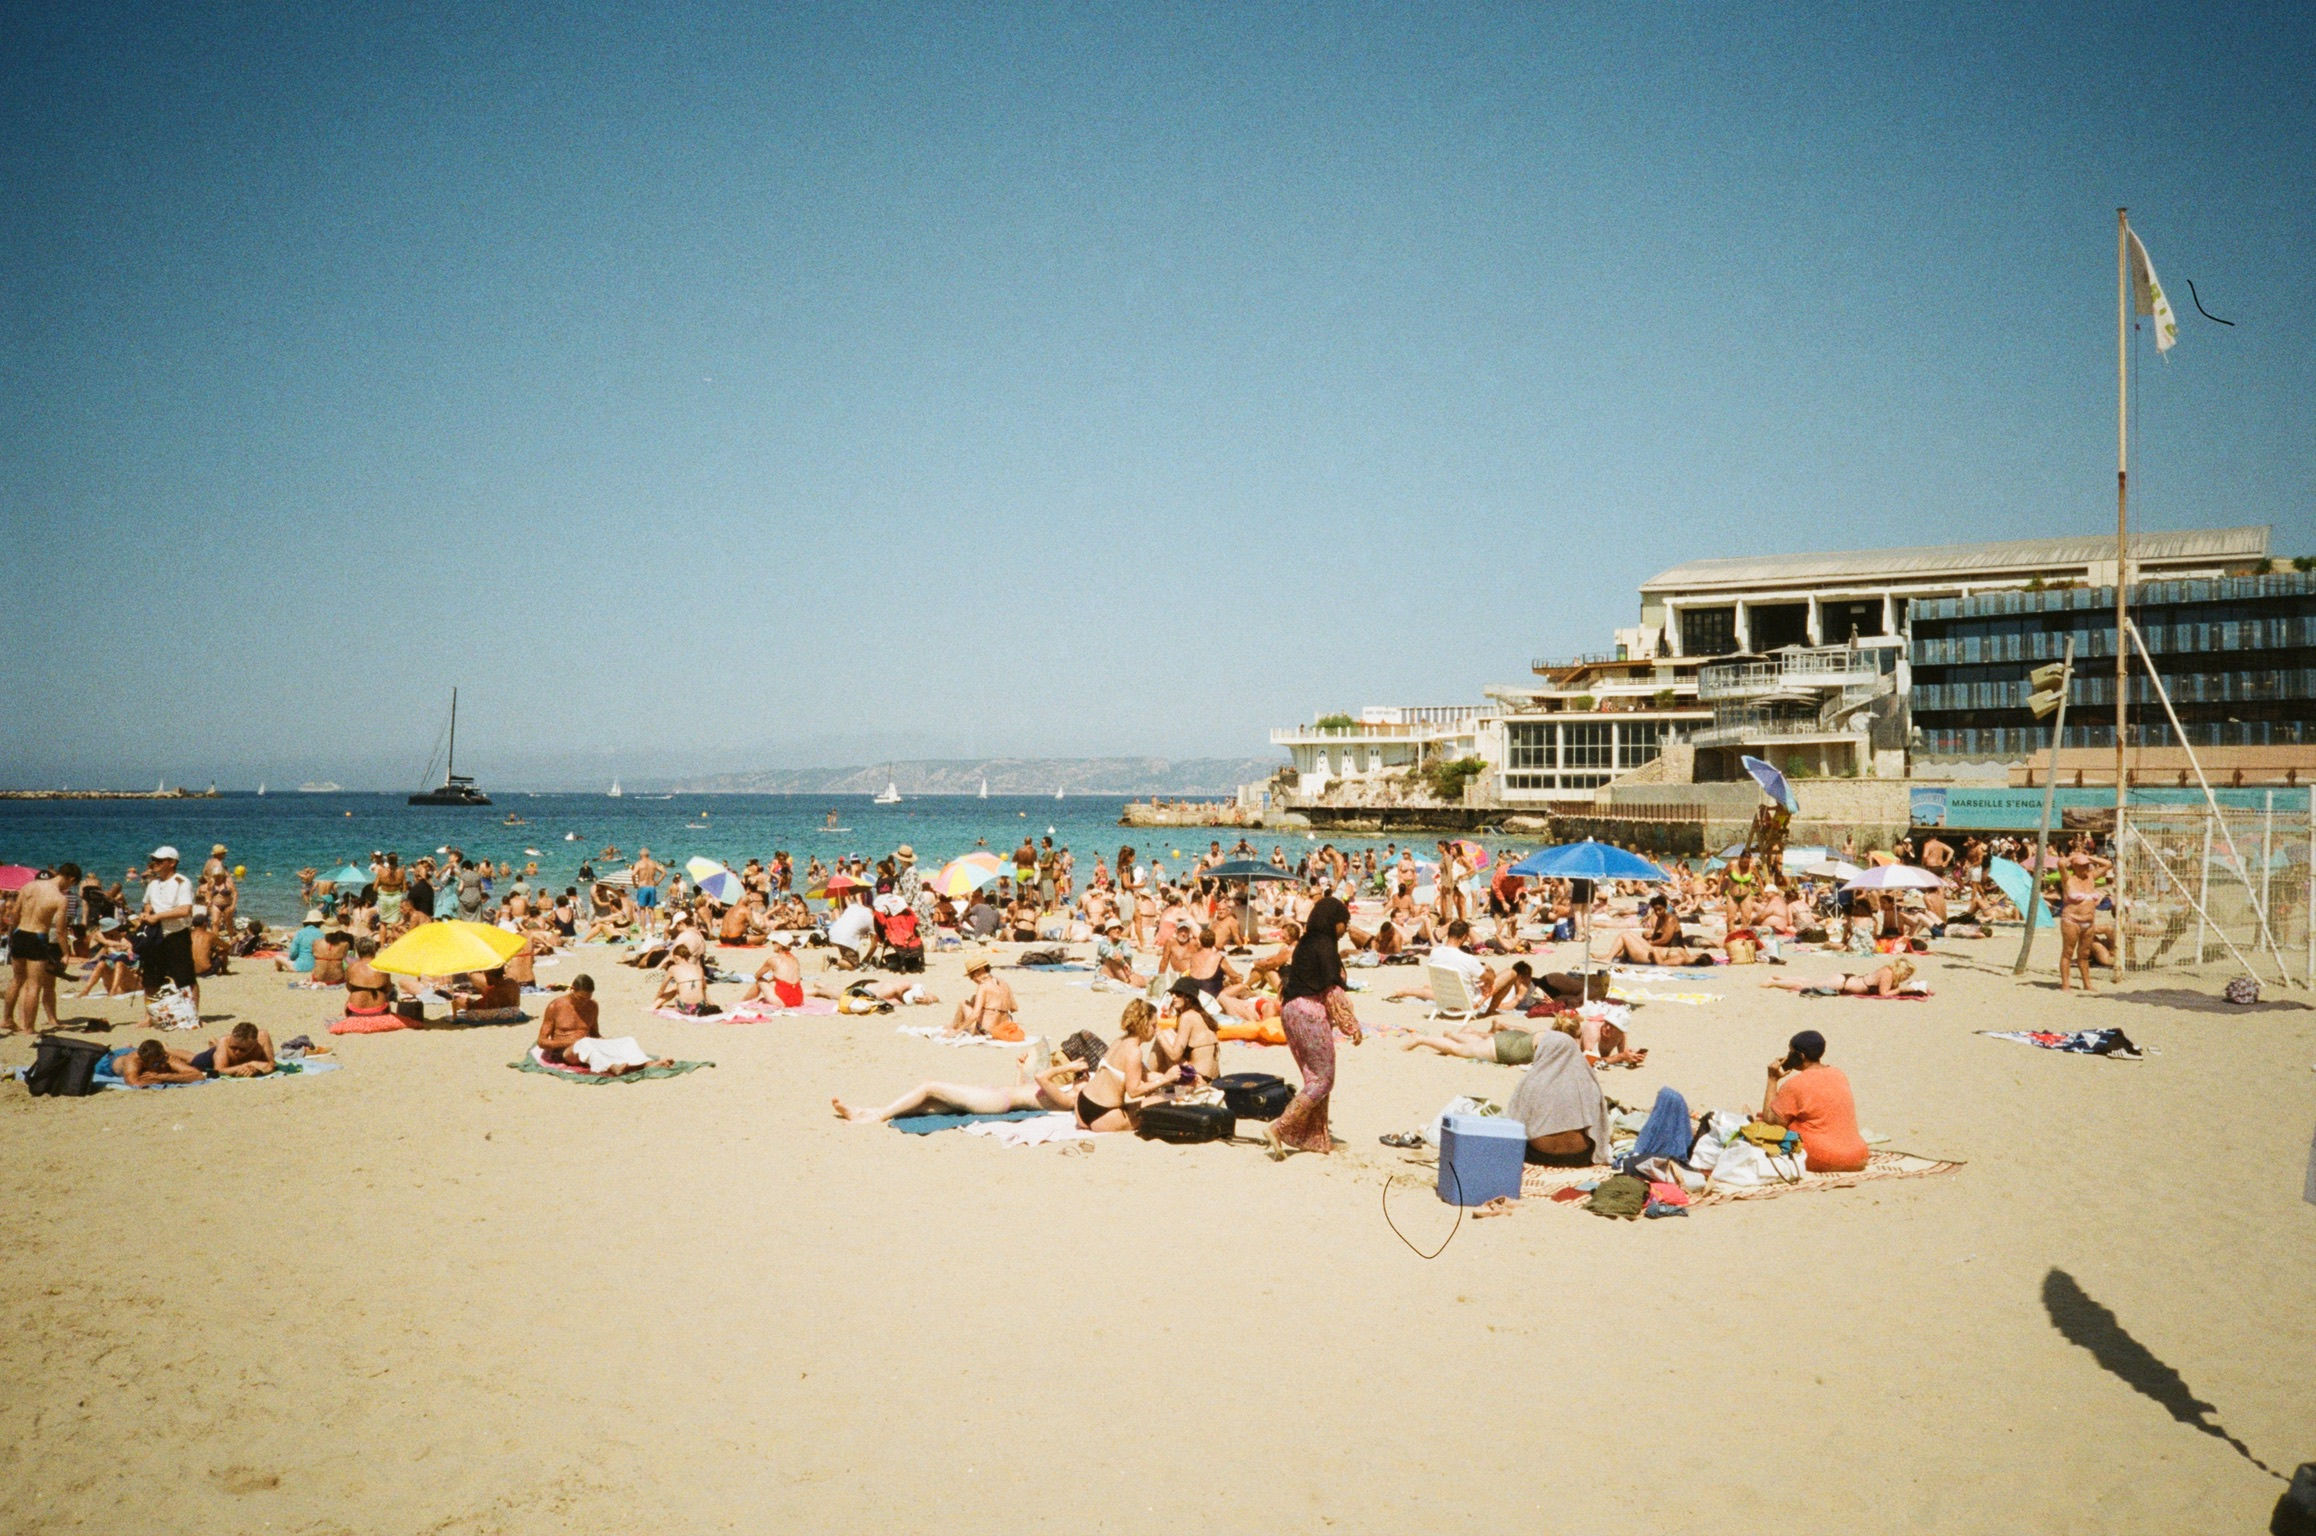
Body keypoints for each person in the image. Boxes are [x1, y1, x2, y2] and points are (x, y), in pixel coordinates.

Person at [1268, 895, 1358, 1158]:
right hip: (1309, 1013)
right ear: (1333, 921)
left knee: (1313, 1078)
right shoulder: (1324, 945)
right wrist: (1351, 1025)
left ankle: (1315, 1138)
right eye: (1344, 922)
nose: (1346, 929)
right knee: (1323, 1080)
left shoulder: (1306, 943)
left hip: (1291, 1011)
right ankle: (1279, 1128)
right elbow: (1332, 990)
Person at [833, 1048, 1085, 1123]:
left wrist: (1068, 1067)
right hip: (1000, 1096)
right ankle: (865, 1112)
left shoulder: (1069, 1101)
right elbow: (1026, 1092)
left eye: (1085, 1079)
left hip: (995, 1102)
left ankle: (877, 1116)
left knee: (929, 1087)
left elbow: (1041, 1078)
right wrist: (1020, 1070)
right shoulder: (1065, 1093)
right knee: (928, 1105)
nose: (1083, 1078)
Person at [1758, 1029, 1869, 1172]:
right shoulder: (1839, 1074)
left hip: (1824, 1157)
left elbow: (1771, 1122)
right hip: (1859, 1155)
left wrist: (1772, 1079)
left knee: (1770, 1125)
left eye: (1790, 1052)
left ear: (1801, 1056)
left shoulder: (1795, 1084)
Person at [1504, 1029, 1611, 1165]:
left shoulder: (1533, 1080)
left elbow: (1515, 1122)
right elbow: (1598, 1122)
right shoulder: (1587, 1080)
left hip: (1540, 1154)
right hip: (1579, 1156)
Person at [1073, 1000, 1179, 1132]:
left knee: (1172, 1093)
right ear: (1144, 1025)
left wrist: (1179, 1082)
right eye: (1153, 1025)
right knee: (1161, 1100)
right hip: (1105, 1115)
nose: (1156, 1030)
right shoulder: (1134, 1051)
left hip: (1082, 1104)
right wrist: (1166, 1079)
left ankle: (1181, 1092)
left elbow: (1146, 1075)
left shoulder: (1120, 1041)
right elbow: (1134, 1091)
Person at [534, 975, 672, 1074]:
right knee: (586, 1043)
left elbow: (595, 1034)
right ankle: (612, 1067)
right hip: (564, 1052)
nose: (583, 1002)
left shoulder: (592, 1006)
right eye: (580, 998)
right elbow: (541, 1041)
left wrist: (608, 1043)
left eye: (587, 999)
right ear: (572, 990)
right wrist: (570, 1042)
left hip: (586, 1044)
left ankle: (648, 1063)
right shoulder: (556, 1006)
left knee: (627, 1041)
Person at [9, 862, 76, 1034]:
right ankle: (28, 1027)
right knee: (34, 985)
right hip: (37, 937)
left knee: (16, 980)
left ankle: (6, 1018)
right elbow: (60, 931)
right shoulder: (60, 898)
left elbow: (15, 913)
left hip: (19, 933)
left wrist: (12, 936)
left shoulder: (28, 886)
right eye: (72, 884)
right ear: (71, 879)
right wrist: (66, 953)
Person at [137, 847, 200, 1011]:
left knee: (185, 978)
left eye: (159, 861)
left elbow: (185, 909)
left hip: (176, 934)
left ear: (172, 863)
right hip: (155, 934)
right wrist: (147, 913)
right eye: (154, 860)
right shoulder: (153, 884)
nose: (155, 863)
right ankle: (150, 1016)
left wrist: (158, 916)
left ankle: (192, 1014)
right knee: (151, 978)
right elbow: (147, 903)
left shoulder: (182, 882)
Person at [948, 957, 1020, 1040]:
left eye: (972, 975)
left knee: (963, 1003)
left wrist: (958, 1031)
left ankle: (954, 1028)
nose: (973, 979)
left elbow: (975, 1015)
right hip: (1002, 1028)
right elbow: (1014, 1008)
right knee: (974, 998)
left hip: (986, 1030)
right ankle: (952, 1026)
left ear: (981, 970)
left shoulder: (983, 986)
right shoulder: (1004, 983)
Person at [1765, 959, 1917, 997]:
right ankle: (1773, 982)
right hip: (1842, 983)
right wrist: (1901, 990)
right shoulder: (1888, 974)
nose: (1906, 977)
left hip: (1845, 980)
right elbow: (1884, 993)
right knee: (1803, 986)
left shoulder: (1887, 969)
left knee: (1809, 981)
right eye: (1907, 974)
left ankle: (1780, 978)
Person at [194, 1021, 276, 1077]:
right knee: (191, 1060)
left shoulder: (263, 1038)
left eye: (243, 1050)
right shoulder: (225, 1041)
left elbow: (271, 1065)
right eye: (233, 1047)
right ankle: (215, 1045)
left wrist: (255, 1070)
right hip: (211, 1057)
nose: (237, 1052)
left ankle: (215, 1044)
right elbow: (218, 1071)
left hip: (229, 1061)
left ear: (254, 1044)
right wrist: (249, 1064)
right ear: (231, 1039)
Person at [118, 1038, 205, 1087]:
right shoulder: (133, 1061)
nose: (162, 1065)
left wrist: (164, 1077)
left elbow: (198, 1076)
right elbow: (132, 1083)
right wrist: (156, 1080)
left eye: (162, 1060)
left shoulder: (166, 1058)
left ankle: (129, 1047)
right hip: (114, 1058)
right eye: (155, 1064)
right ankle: (127, 1048)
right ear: (144, 1062)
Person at [827, 892, 877, 969]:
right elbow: (874, 945)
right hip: (846, 938)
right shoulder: (871, 919)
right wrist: (866, 958)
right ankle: (831, 960)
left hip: (833, 933)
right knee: (853, 965)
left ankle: (843, 961)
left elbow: (847, 899)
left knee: (849, 955)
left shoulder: (853, 906)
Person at [277, 909, 325, 974]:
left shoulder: (300, 933)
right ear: (320, 923)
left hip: (299, 967)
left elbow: (293, 954)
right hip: (316, 967)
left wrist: (292, 959)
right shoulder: (322, 934)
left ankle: (279, 969)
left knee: (277, 957)